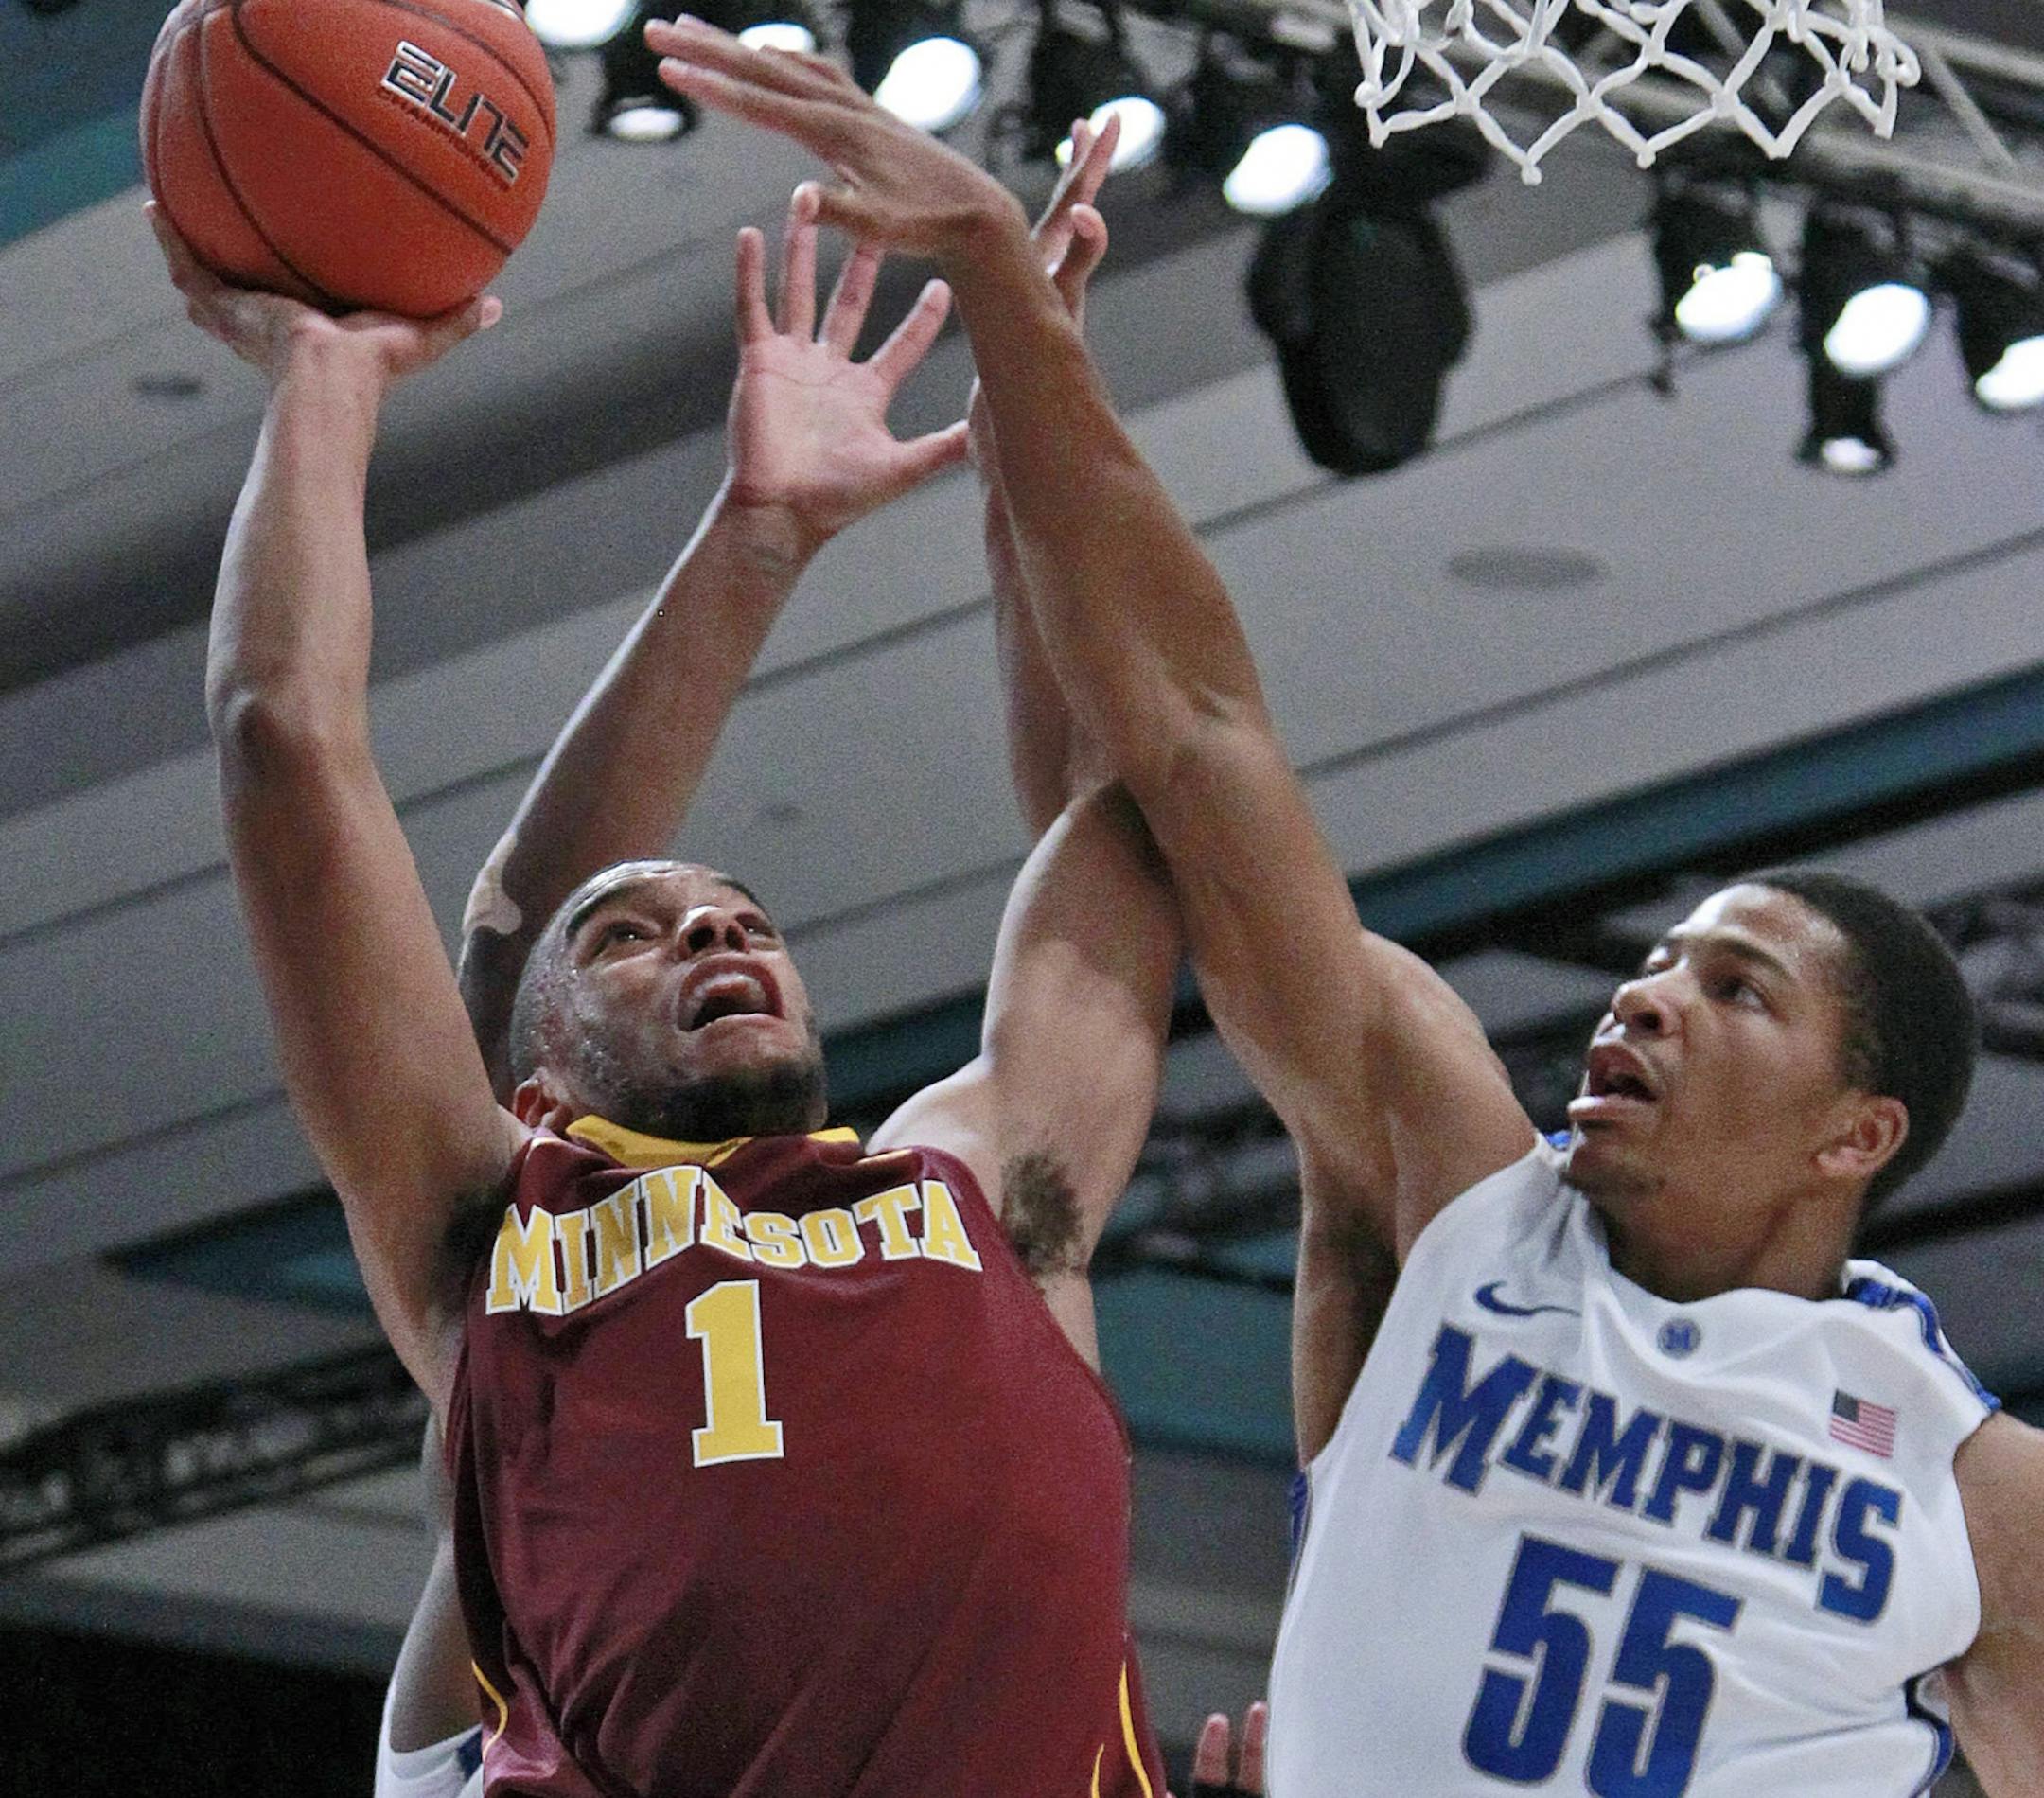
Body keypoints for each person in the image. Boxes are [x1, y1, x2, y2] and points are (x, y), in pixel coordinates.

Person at [644, 19, 2044, 1792]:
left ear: (1862, 1132)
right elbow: (1185, 771)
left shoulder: (1976, 1490)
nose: (1645, 1001)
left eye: (1737, 990)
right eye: (1659, 965)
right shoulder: (1449, 1194)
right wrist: (1016, 331)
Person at [152, 110, 1182, 1794]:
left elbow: (1126, 807)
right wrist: (323, 383)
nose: (711, 925)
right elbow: (285, 740)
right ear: (536, 1071)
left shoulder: (977, 1188)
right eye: (628, 939)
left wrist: (1037, 415)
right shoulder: (497, 1236)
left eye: (741, 919)